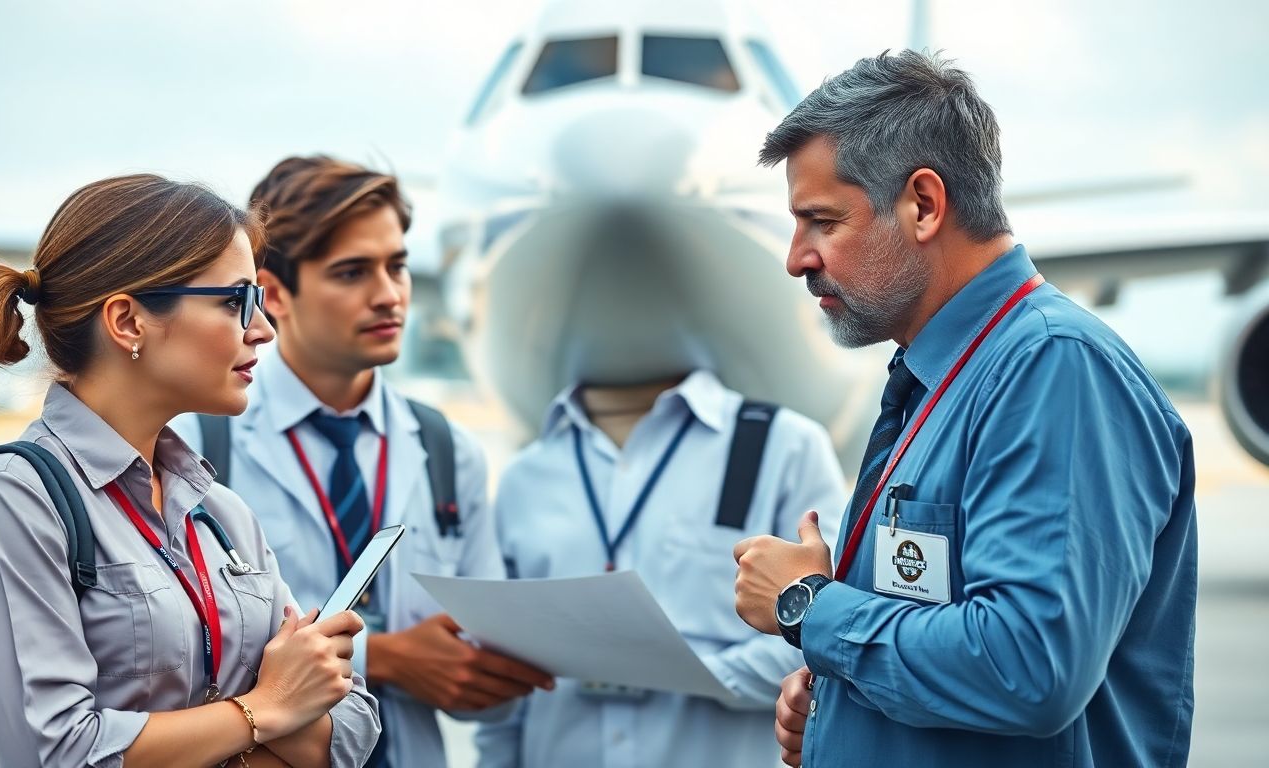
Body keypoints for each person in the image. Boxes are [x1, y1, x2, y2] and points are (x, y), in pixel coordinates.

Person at [731, 50, 1196, 768]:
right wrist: (842, 697)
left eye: (822, 221)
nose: (797, 258)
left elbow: (1030, 666)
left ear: (923, 204)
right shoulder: (947, 375)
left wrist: (808, 605)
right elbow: (949, 633)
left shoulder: (1052, 368)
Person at [0, 174, 379, 767]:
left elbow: (351, 728)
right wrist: (265, 709)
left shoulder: (219, 512)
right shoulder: (8, 502)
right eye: (235, 300)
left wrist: (265, 716)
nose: (264, 329)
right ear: (128, 321)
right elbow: (51, 753)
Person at [171, 155, 552, 768]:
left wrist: (491, 673)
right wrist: (390, 658)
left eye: (397, 265)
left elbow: (488, 690)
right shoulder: (194, 451)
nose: (389, 294)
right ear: (272, 295)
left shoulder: (448, 452)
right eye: (352, 273)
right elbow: (183, 665)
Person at [475, 369, 848, 767]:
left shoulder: (786, 447)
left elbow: (825, 634)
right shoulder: (523, 477)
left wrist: (682, 672)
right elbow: (505, 679)